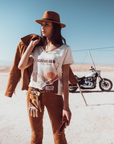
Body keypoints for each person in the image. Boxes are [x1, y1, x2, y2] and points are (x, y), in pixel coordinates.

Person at [18, 11, 74, 144]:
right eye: (42, 24)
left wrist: (66, 106)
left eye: (47, 24)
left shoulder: (65, 49)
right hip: (33, 95)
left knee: (59, 134)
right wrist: (31, 45)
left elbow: (65, 80)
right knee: (35, 134)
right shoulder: (37, 48)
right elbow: (21, 66)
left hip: (55, 96)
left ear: (55, 27)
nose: (42, 27)